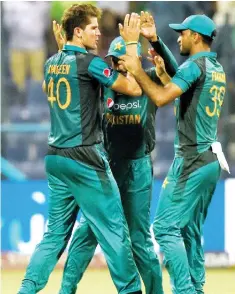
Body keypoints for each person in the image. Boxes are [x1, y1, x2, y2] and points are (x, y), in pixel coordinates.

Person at [18, 5, 143, 294]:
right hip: (85, 157)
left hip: (56, 158)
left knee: (53, 236)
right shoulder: (91, 63)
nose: (99, 32)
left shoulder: (51, 63)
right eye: (92, 28)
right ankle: (131, 291)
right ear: (77, 31)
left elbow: (53, 85)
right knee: (114, 230)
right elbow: (133, 89)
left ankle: (25, 290)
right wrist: (133, 46)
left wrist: (65, 53)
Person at [119, 13, 229, 294]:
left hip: (191, 160)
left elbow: (160, 96)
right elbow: (183, 75)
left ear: (195, 36)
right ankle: (197, 288)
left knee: (166, 228)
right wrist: (155, 40)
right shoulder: (214, 67)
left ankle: (185, 290)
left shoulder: (195, 66)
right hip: (210, 160)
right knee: (190, 232)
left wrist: (137, 69)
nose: (178, 37)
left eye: (182, 33)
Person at [55, 34, 168, 294]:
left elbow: (174, 79)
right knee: (86, 234)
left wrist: (158, 50)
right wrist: (64, 54)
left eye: (122, 60)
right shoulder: (103, 81)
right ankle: (65, 291)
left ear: (135, 58)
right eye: (114, 61)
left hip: (138, 168)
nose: (117, 66)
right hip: (106, 166)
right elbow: (70, 83)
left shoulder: (150, 77)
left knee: (139, 240)